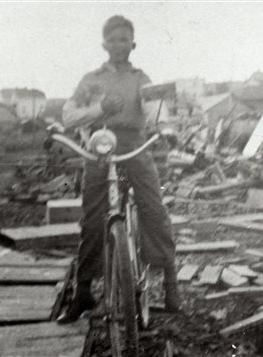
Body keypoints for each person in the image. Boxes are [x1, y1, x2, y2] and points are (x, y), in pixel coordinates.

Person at [56, 15, 180, 324]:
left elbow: (154, 110)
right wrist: (99, 110)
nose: (118, 45)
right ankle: (83, 291)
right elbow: (69, 116)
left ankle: (170, 281)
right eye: (112, 40)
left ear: (133, 44)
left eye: (124, 39)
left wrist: (164, 128)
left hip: (134, 145)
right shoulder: (91, 79)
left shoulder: (141, 78)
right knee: (92, 220)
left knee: (153, 208)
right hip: (99, 147)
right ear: (104, 44)